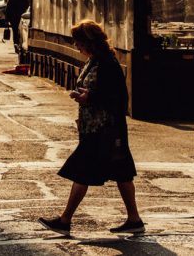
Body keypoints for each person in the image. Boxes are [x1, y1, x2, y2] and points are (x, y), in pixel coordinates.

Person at [38, 20, 143, 236]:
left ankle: (65, 219)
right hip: (96, 127)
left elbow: (118, 97)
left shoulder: (107, 64)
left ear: (90, 42)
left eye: (78, 42)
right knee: (121, 172)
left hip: (105, 129)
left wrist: (89, 97)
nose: (76, 47)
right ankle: (134, 219)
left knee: (84, 171)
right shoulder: (95, 61)